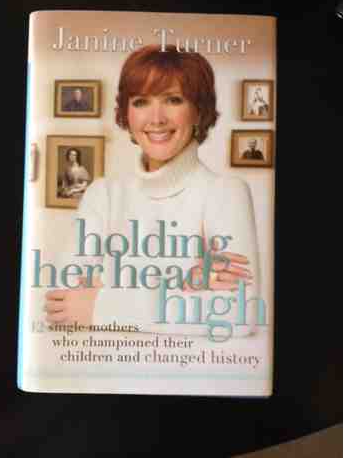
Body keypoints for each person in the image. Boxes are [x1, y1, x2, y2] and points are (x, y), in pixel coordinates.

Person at [44, 45, 260, 337]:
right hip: (106, 364)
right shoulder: (103, 194)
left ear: (199, 111)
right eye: (141, 101)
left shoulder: (226, 193)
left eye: (173, 100)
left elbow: (240, 313)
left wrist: (100, 303)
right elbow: (61, 301)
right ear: (126, 113)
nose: (156, 118)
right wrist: (183, 289)